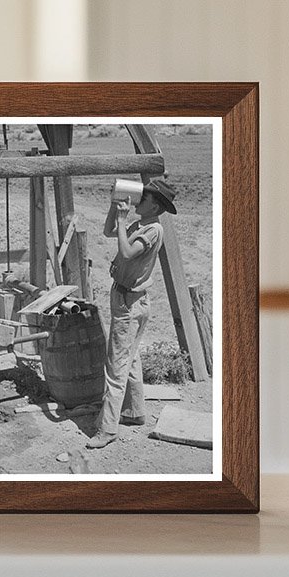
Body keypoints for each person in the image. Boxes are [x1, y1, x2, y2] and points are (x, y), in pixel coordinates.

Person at [86, 177, 178, 449]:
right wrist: (115, 208)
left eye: (145, 198)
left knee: (115, 367)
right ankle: (135, 411)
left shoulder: (153, 231)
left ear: (156, 207)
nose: (140, 200)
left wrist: (125, 219)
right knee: (132, 357)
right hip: (130, 299)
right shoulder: (142, 223)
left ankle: (107, 429)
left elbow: (126, 252)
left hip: (129, 303)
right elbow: (107, 232)